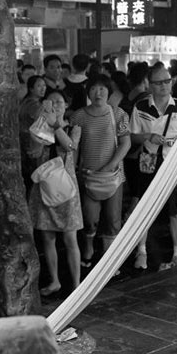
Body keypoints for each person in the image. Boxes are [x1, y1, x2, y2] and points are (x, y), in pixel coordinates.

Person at [129, 62, 177, 271]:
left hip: (174, 165)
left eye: (167, 81)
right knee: (145, 209)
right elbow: (132, 136)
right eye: (159, 82)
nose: (164, 86)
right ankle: (142, 251)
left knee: (175, 210)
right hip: (149, 163)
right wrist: (148, 136)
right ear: (150, 84)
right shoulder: (141, 107)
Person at [71, 76, 130, 269]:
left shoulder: (119, 114)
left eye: (102, 89)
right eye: (94, 89)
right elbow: (74, 147)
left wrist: (110, 165)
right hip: (88, 175)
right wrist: (72, 171)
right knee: (90, 219)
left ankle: (109, 258)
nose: (98, 93)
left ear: (109, 92)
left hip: (113, 176)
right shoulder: (79, 116)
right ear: (88, 92)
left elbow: (125, 143)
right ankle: (88, 248)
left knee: (113, 219)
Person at [28, 90, 81, 296]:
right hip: (45, 186)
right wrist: (42, 125)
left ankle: (77, 284)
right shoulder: (38, 127)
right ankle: (55, 281)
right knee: (47, 237)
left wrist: (56, 125)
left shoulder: (73, 127)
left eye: (59, 102)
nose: (56, 105)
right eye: (51, 102)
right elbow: (33, 152)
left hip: (66, 188)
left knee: (70, 238)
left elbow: (70, 146)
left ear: (66, 105)